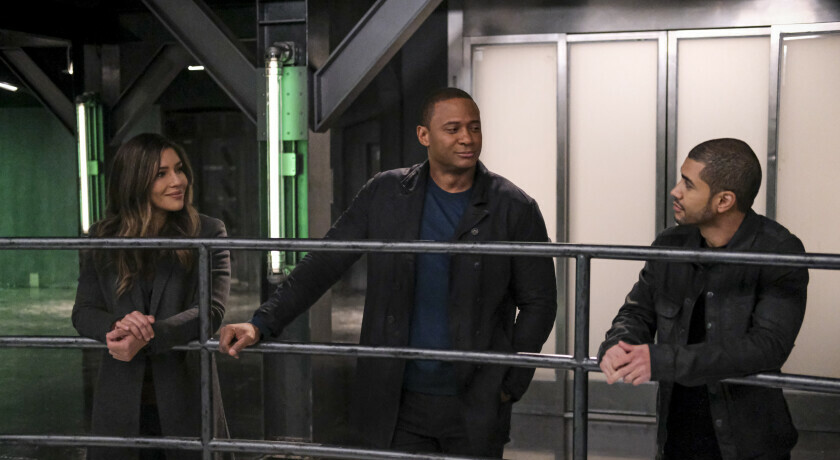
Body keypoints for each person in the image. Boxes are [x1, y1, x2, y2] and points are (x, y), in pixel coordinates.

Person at [218, 88, 557, 457]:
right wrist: (261, 322)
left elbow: (539, 302)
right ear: (424, 135)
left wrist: (509, 382)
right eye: (453, 129)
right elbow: (325, 262)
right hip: (396, 400)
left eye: (474, 128)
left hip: (475, 400)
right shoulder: (386, 193)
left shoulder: (514, 207)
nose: (467, 138)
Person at [598, 138, 809, 460]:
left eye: (688, 184)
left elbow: (768, 346)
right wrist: (619, 344)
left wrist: (662, 360)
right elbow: (637, 312)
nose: (675, 191)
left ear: (724, 200)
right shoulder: (670, 244)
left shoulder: (780, 250)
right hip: (676, 440)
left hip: (749, 447)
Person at [72, 133, 231, 460]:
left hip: (185, 396)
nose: (178, 181)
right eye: (161, 173)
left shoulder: (208, 231)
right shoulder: (102, 236)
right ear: (134, 181)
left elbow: (210, 311)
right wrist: (118, 326)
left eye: (179, 169)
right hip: (120, 400)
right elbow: (84, 311)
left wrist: (147, 335)